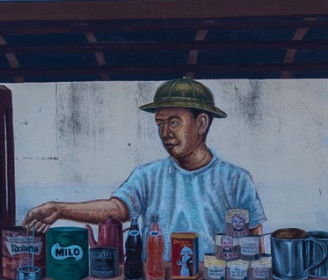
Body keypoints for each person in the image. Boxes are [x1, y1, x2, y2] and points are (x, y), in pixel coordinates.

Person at [22, 77, 267, 239]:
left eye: (174, 122)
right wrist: (59, 209)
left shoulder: (236, 179)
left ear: (201, 123)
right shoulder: (147, 176)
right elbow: (116, 209)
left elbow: (254, 239)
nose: (165, 132)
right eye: (160, 123)